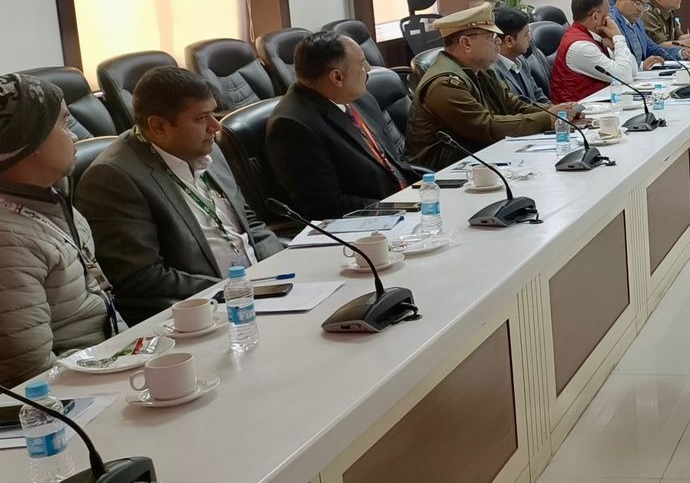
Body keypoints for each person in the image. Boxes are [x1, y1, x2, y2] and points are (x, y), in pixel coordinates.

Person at [77, 66, 282, 324]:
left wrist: (281, 266)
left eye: (214, 113)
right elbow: (142, 277)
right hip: (202, 313)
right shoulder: (114, 178)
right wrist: (232, 288)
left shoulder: (206, 148)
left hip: (260, 290)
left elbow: (248, 220)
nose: (215, 126)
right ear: (158, 126)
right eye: (201, 118)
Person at [0, 74, 117, 388]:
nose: (75, 135)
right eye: (64, 123)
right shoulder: (8, 242)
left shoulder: (49, 196)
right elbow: (31, 376)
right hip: (74, 394)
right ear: (31, 140)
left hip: (102, 362)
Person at [266, 32, 420, 220]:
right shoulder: (292, 126)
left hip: (406, 203)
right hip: (373, 222)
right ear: (337, 77)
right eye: (361, 63)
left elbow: (392, 162)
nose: (368, 69)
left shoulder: (361, 98)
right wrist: (401, 208)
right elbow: (326, 206)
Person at [406, 2, 576, 169]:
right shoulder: (444, 84)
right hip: (443, 172)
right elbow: (486, 127)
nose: (498, 43)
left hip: (479, 158)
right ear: (466, 43)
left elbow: (513, 105)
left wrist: (560, 112)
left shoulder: (481, 70)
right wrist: (548, 118)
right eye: (491, 37)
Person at [551, 0, 639, 103]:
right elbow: (624, 77)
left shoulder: (595, 36)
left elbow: (633, 71)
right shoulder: (581, 46)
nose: (610, 19)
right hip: (579, 111)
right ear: (596, 17)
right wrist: (618, 37)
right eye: (608, 14)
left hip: (599, 105)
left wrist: (614, 46)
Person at [612, 0, 690, 67]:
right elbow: (611, 62)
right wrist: (641, 65)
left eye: (644, 5)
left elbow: (652, 48)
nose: (641, 10)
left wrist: (680, 53)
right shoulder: (610, 22)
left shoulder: (637, 22)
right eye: (637, 3)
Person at [491, 6, 551, 105]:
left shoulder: (521, 60)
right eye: (526, 34)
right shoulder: (493, 72)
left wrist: (560, 110)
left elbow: (539, 97)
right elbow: (512, 110)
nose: (530, 38)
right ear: (509, 41)